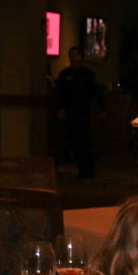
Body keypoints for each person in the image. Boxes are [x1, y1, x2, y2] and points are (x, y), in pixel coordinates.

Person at [54, 46, 100, 179]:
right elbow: (60, 93)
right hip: (70, 112)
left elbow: (94, 93)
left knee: (85, 141)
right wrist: (60, 108)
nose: (74, 58)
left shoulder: (87, 75)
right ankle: (79, 168)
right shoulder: (65, 74)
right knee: (73, 140)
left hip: (84, 112)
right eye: (71, 56)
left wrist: (98, 110)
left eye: (76, 55)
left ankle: (88, 169)